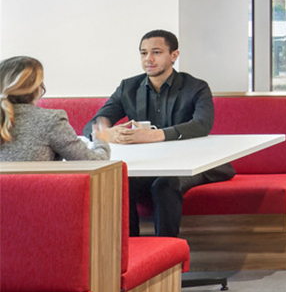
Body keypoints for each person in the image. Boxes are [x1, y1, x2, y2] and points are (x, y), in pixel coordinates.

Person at [87, 29, 232, 237]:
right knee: (119, 181)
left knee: (166, 183)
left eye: (156, 52)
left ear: (174, 56)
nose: (149, 59)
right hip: (148, 165)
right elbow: (94, 124)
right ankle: (129, 255)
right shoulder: (128, 87)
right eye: (143, 53)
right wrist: (107, 134)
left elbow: (202, 125)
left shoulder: (196, 87)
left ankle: (167, 258)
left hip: (192, 163)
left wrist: (156, 135)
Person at [0, 56, 110, 162]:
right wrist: (101, 141)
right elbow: (94, 163)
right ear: (38, 88)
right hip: (37, 182)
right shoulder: (49, 120)